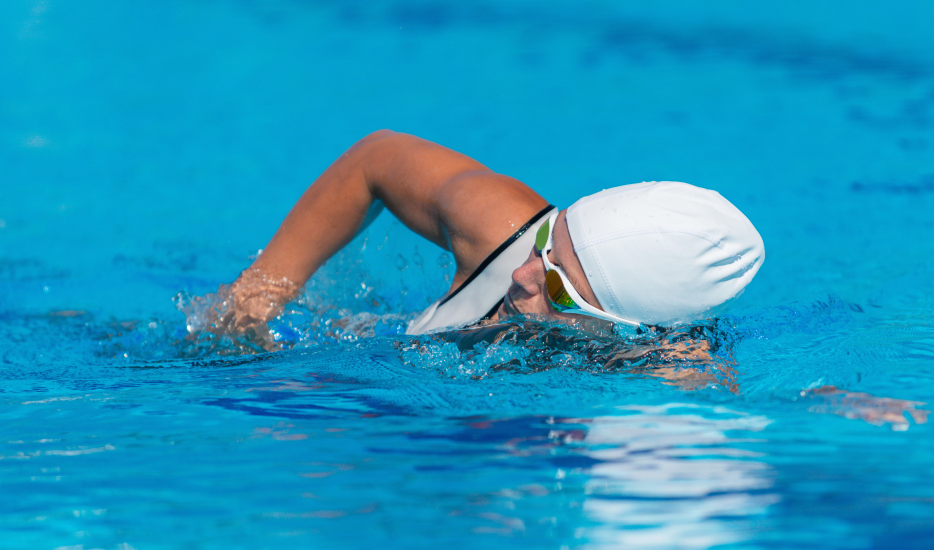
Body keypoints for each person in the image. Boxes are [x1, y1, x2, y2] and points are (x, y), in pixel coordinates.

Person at [211, 129, 765, 349]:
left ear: (632, 327)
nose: (523, 275)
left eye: (558, 287)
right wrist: (260, 291)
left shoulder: (663, 361)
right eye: (547, 247)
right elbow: (375, 158)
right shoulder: (500, 224)